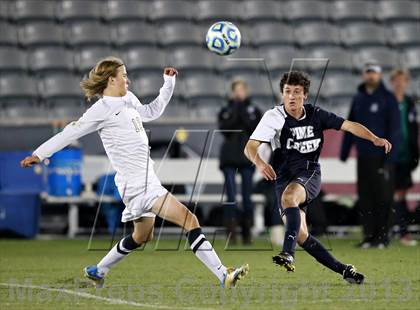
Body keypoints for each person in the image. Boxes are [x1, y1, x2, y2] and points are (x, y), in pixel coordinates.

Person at [20, 57, 249, 288]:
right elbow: (70, 132)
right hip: (138, 183)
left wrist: (168, 84)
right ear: (111, 79)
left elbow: (152, 111)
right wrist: (39, 154)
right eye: (124, 75)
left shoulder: (128, 99)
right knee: (189, 219)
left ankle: (99, 270)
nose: (127, 80)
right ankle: (223, 274)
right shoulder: (101, 110)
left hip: (141, 181)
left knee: (142, 236)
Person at [244, 71, 393, 284]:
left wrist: (375, 138)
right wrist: (259, 162)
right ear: (282, 94)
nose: (292, 96)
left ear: (305, 95)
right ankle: (344, 270)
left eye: (297, 92)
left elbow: (349, 125)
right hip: (284, 178)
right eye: (288, 92)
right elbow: (250, 147)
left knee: (290, 199)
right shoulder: (273, 117)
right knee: (302, 235)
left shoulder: (317, 115)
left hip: (309, 173)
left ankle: (287, 253)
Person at [340, 63, 401, 249]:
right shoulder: (358, 98)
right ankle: (368, 236)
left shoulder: (388, 99)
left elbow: (396, 130)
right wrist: (344, 151)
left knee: (383, 197)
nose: (371, 76)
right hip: (363, 156)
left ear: (380, 75)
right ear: (363, 75)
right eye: (368, 73)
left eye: (374, 73)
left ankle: (382, 237)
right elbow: (349, 125)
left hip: (382, 157)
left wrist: (391, 158)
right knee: (365, 197)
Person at [218, 80, 262, 244]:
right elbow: (225, 129)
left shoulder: (254, 110)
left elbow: (255, 129)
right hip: (229, 157)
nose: (239, 93)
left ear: (246, 92)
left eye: (242, 90)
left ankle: (247, 233)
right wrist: (237, 108)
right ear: (232, 92)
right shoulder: (226, 109)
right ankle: (231, 233)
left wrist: (242, 109)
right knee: (230, 196)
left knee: (247, 196)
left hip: (247, 157)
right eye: (236, 90)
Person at [389, 68, 419, 246]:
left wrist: (416, 153)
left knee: (401, 194)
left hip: (406, 155)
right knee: (390, 194)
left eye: (403, 80)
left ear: (407, 83)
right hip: (389, 155)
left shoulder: (409, 103)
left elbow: (413, 129)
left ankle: (400, 231)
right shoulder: (387, 102)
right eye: (397, 80)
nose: (400, 83)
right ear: (392, 82)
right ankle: (396, 231)